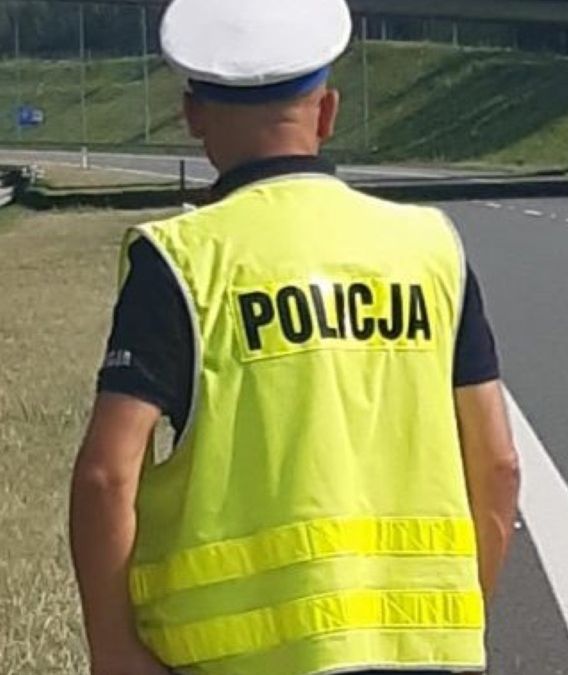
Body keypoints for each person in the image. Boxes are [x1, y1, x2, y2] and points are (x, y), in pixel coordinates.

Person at [68, 0, 520, 673]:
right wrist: (458, 613)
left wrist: (113, 648)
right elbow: (499, 465)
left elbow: (107, 476)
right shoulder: (429, 248)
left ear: (193, 116)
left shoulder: (182, 262)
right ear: (329, 111)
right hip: (423, 652)